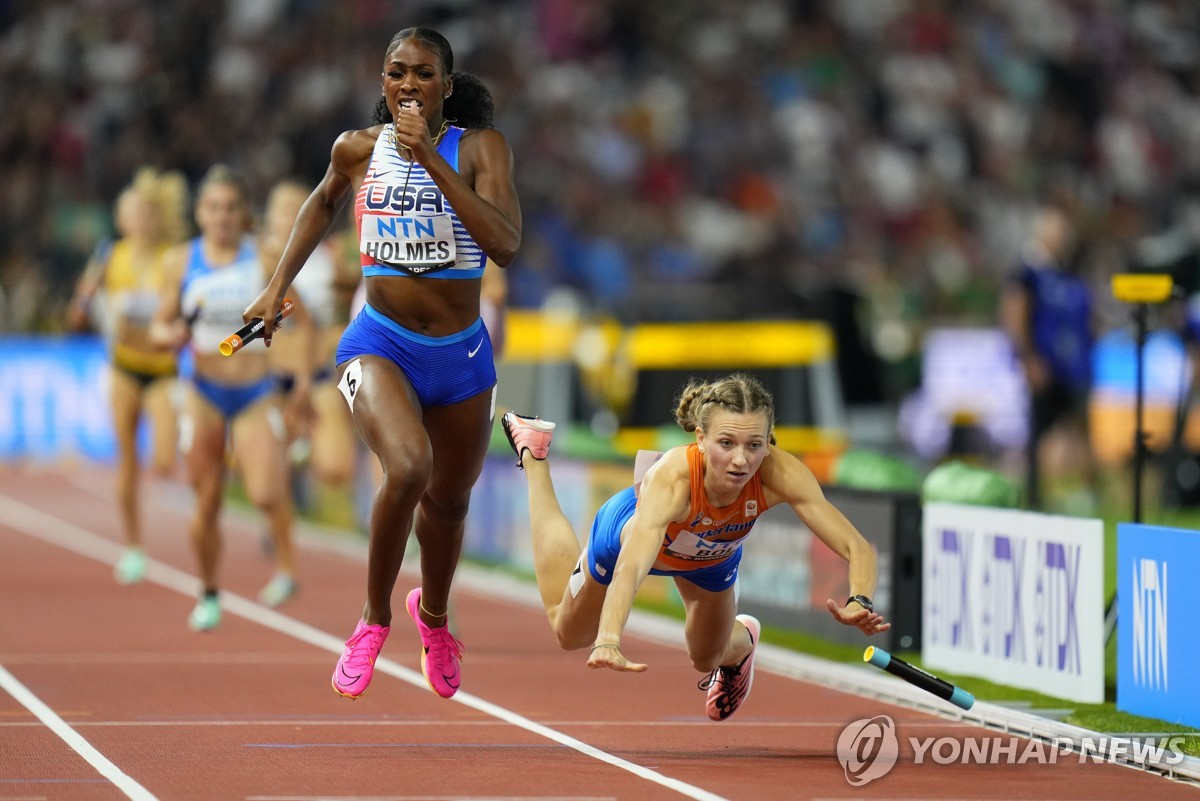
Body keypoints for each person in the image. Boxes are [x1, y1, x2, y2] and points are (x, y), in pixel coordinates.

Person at [243, 27, 520, 701]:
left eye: (423, 74)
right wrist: (277, 287)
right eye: (396, 72)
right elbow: (320, 203)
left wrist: (432, 161)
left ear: (445, 87)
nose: (408, 85)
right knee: (408, 465)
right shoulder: (357, 149)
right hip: (380, 341)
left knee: (449, 504)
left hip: (460, 354)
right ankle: (372, 619)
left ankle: (435, 618)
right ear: (383, 82)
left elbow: (506, 244)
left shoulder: (479, 148)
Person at [500, 373, 890, 721]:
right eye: (726, 443)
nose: (741, 460)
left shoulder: (780, 474)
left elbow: (857, 546)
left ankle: (741, 645)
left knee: (705, 657)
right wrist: (609, 638)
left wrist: (861, 599)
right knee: (569, 633)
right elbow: (632, 567)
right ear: (700, 439)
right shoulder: (675, 477)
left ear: (768, 443)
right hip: (627, 542)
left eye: (754, 445)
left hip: (712, 559)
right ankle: (534, 455)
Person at [151, 164, 308, 631]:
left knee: (265, 491)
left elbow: (299, 315)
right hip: (203, 391)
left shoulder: (264, 258)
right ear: (201, 213)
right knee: (207, 501)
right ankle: (209, 591)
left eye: (231, 208)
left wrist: (298, 378)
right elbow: (160, 323)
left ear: (244, 214)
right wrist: (171, 332)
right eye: (214, 207)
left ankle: (285, 567)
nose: (222, 216)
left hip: (256, 391)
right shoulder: (180, 262)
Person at [67, 167, 190, 586]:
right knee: (126, 461)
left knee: (162, 459)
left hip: (162, 370)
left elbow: (188, 303)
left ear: (157, 218)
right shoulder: (109, 256)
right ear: (122, 220)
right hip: (123, 366)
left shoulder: (173, 257)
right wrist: (83, 307)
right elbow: (78, 309)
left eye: (147, 213)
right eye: (132, 214)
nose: (140, 221)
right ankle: (134, 548)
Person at [259, 180, 361, 527]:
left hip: (317, 370)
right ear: (269, 217)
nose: (290, 217)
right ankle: (279, 491)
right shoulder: (251, 257)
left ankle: (299, 456)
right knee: (266, 472)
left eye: (298, 209)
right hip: (267, 375)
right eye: (283, 210)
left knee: (336, 469)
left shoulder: (330, 257)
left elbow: (347, 314)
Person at [1000, 203, 1097, 511]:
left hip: (1072, 365)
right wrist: (1028, 359)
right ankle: (1034, 494)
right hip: (1046, 363)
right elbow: (1015, 314)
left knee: (1078, 427)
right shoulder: (1027, 273)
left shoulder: (1064, 273)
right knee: (1040, 432)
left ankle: (1083, 492)